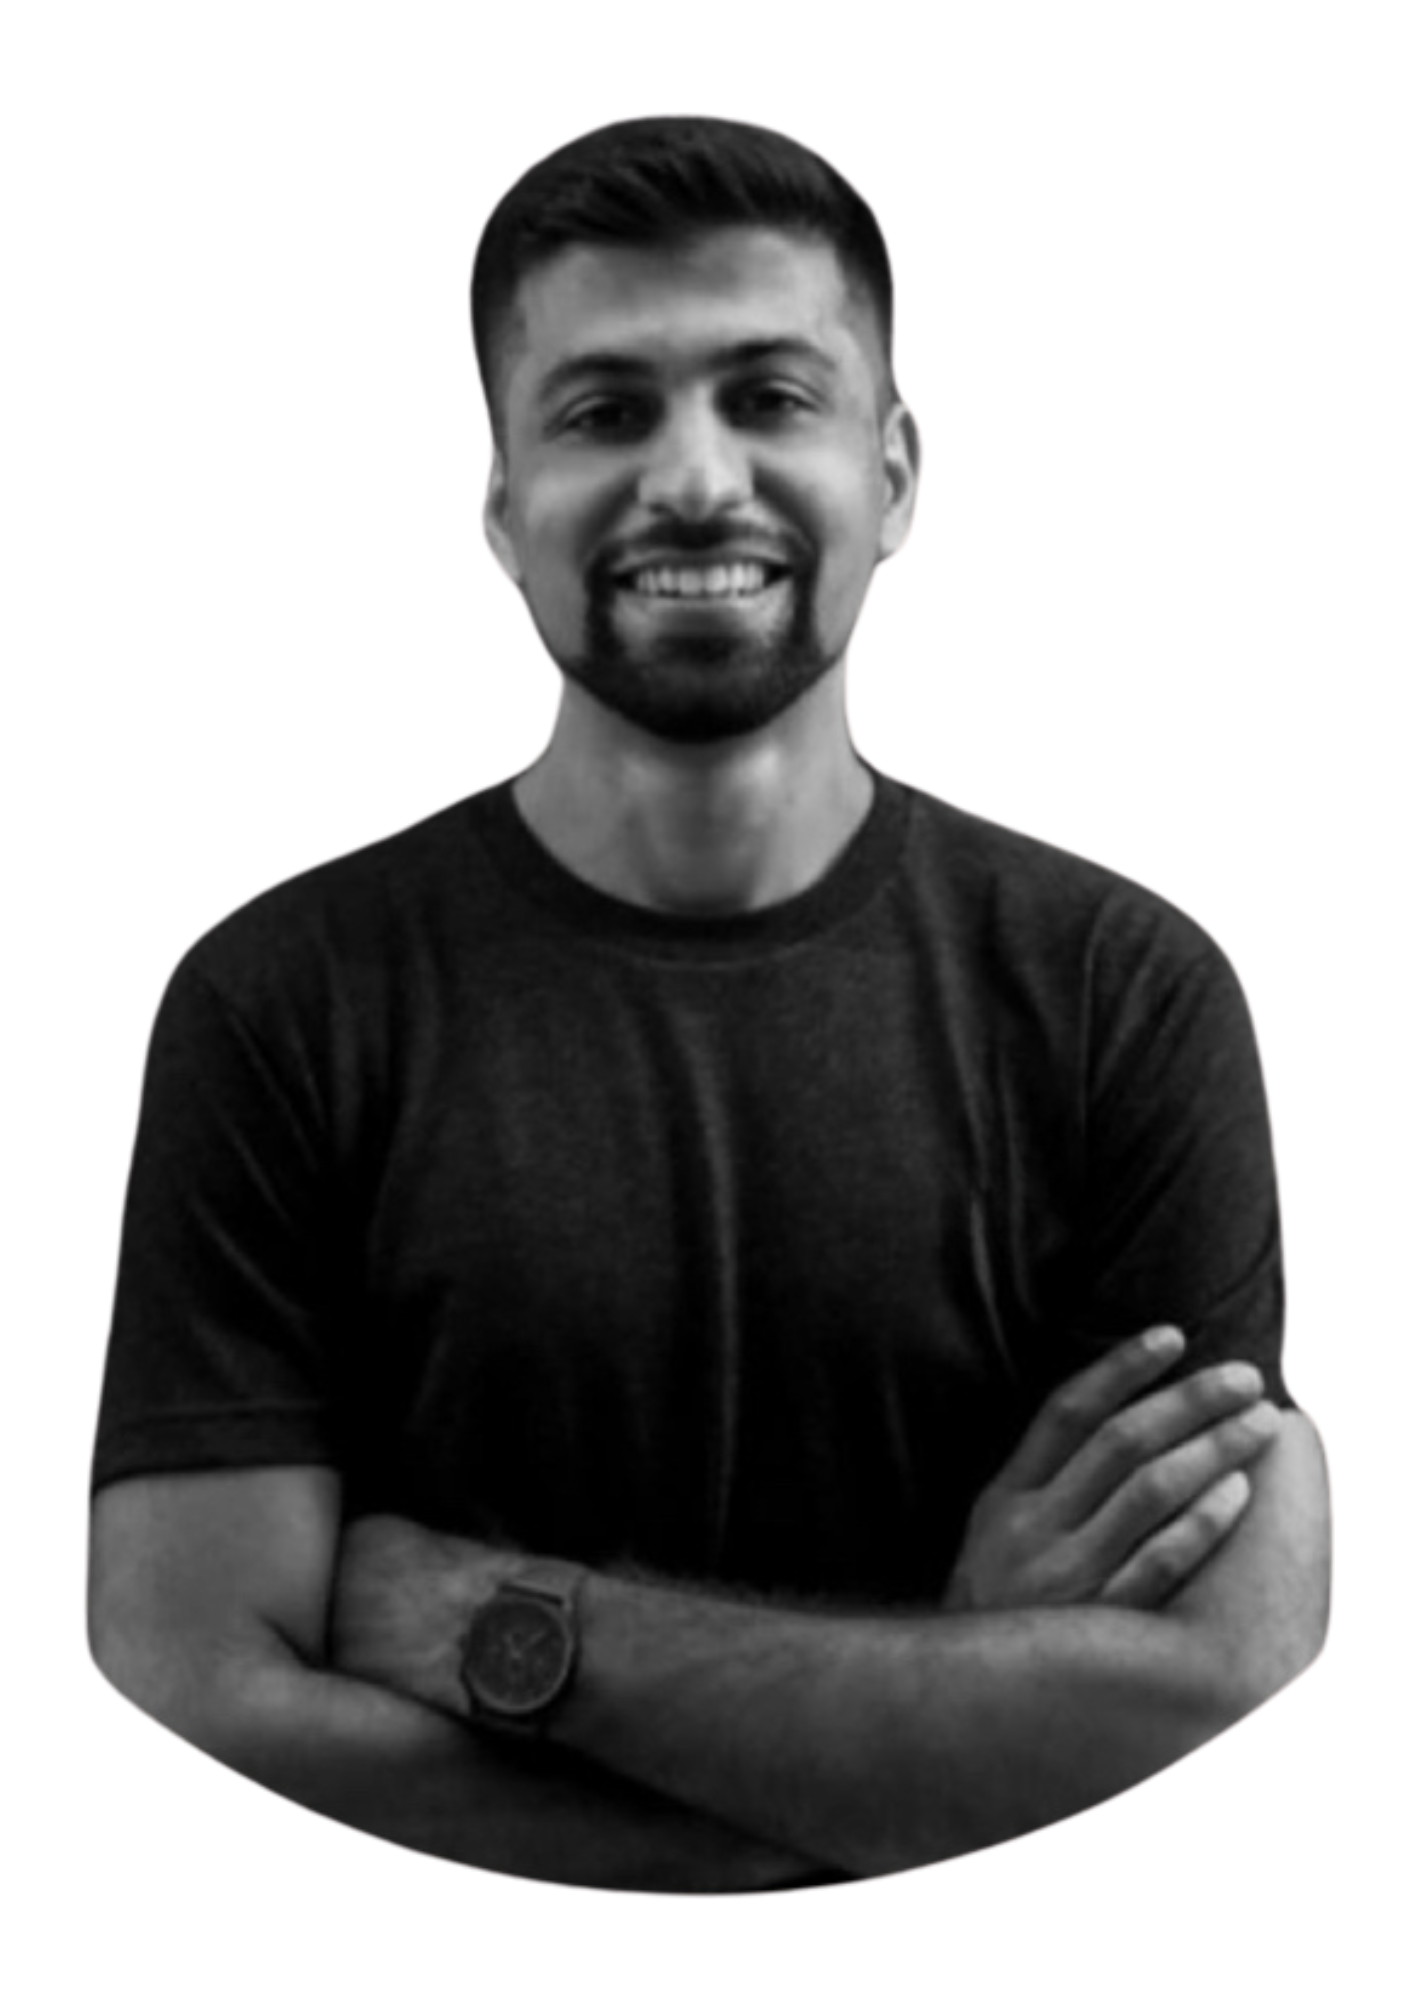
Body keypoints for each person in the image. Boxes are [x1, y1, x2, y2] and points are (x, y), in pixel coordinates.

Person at [84, 115, 1331, 1894]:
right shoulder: (278, 1000)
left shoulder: (1127, 990)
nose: (690, 478)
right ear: (500, 505)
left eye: (769, 397)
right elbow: (200, 1701)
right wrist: (938, 1722)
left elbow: (1209, 1705)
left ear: (895, 475)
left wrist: (491, 1620)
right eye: (604, 411)